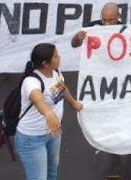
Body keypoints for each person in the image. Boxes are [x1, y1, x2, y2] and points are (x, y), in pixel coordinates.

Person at [15, 43, 83, 180]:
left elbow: (61, 88)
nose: (59, 57)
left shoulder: (55, 72)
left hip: (53, 133)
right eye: (56, 56)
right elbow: (38, 99)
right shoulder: (31, 82)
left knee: (52, 173)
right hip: (32, 139)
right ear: (45, 63)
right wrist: (48, 114)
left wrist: (74, 103)